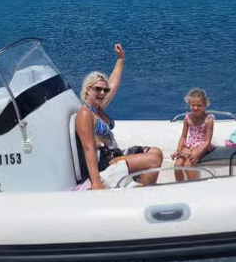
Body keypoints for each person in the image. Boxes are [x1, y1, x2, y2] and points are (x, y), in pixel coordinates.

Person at [75, 44, 163, 189]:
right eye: (98, 89)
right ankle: (145, 196)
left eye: (104, 90)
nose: (102, 93)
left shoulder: (98, 107)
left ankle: (142, 185)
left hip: (116, 154)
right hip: (106, 162)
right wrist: (96, 182)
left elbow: (113, 84)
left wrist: (120, 59)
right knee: (153, 160)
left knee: (157, 152)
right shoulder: (85, 113)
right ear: (87, 89)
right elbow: (88, 149)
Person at [172, 88, 214, 181]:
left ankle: (193, 186)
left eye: (199, 105)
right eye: (193, 105)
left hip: (202, 145)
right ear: (189, 104)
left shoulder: (209, 119)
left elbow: (207, 141)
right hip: (190, 144)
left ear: (205, 105)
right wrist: (178, 151)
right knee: (177, 165)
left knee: (188, 164)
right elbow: (183, 137)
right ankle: (179, 186)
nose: (195, 108)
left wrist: (198, 153)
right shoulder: (187, 118)